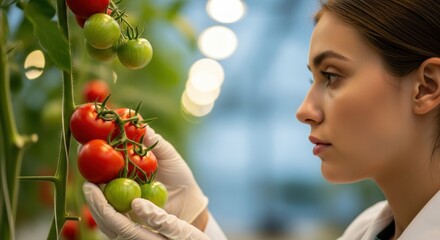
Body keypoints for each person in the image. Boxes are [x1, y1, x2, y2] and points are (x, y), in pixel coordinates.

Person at [83, 0, 440, 239]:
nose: (303, 110)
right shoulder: (367, 229)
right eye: (311, 80)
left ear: (426, 87)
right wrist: (197, 220)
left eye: (331, 76)